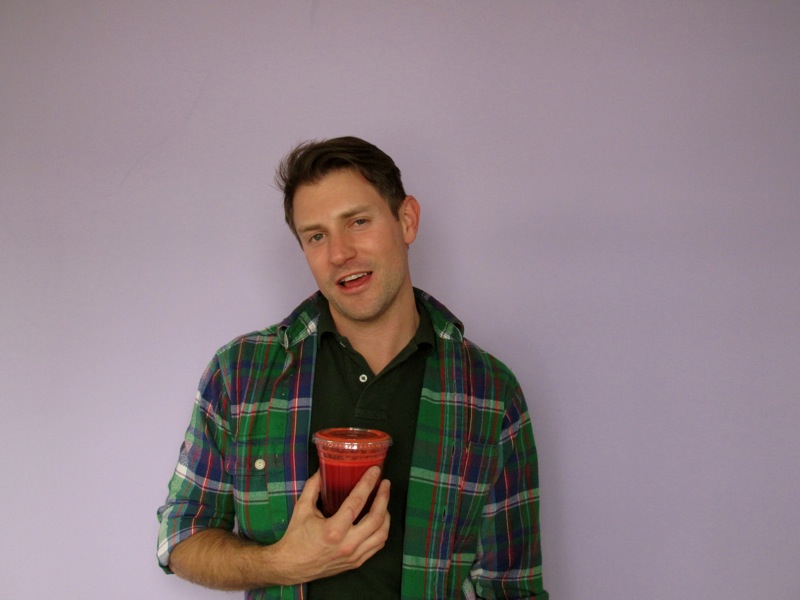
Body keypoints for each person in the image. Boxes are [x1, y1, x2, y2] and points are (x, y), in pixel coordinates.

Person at [157, 136, 548, 599]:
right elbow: (180, 539)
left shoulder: (490, 392)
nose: (339, 253)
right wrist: (282, 563)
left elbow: (513, 588)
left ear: (406, 220)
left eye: (358, 222)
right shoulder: (239, 374)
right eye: (316, 236)